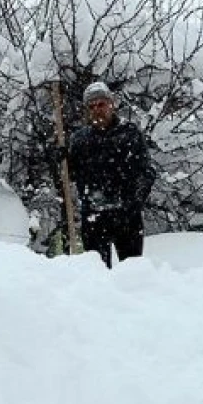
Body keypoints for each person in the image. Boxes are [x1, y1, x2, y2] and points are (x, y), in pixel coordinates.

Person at [67, 81, 157, 268]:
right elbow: (72, 175)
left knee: (132, 273)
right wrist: (60, 159)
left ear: (111, 104)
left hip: (126, 216)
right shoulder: (80, 140)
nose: (97, 110)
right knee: (96, 273)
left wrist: (135, 201)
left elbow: (146, 172)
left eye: (101, 104)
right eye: (91, 106)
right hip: (94, 217)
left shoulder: (130, 134)